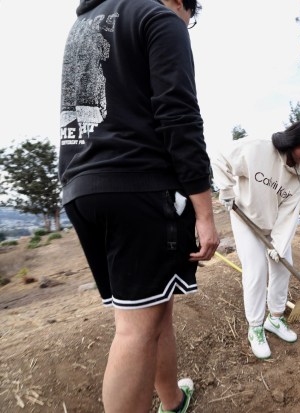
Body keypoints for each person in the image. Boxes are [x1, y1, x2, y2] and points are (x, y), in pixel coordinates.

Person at [58, 1, 219, 412]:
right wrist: (204, 211)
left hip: (81, 186)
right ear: (182, 3)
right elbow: (179, 114)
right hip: (137, 186)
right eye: (191, 16)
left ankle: (172, 399)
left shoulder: (85, 24)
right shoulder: (159, 18)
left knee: (151, 312)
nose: (187, 24)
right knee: (133, 331)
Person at [212, 119, 300, 359]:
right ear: (295, 140)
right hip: (246, 220)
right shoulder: (258, 148)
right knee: (256, 271)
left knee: (283, 267)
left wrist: (280, 244)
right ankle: (255, 328)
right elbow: (220, 157)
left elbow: (290, 210)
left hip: (273, 225)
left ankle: (275, 319)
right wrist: (226, 189)